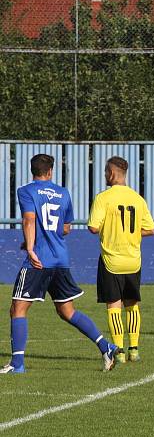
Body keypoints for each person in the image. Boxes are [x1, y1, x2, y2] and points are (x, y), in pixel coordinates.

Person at [2, 154, 120, 374]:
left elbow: (29, 219)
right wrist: (43, 235)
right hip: (61, 259)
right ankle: (106, 347)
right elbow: (66, 228)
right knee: (67, 311)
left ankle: (17, 364)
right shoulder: (63, 193)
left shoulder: (26, 191)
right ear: (50, 172)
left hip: (39, 259)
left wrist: (30, 247)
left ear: (32, 171)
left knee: (18, 308)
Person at [88, 156, 154, 364]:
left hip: (112, 260)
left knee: (114, 306)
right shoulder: (137, 198)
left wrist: (111, 230)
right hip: (133, 260)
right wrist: (133, 234)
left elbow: (93, 227)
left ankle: (118, 351)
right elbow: (151, 229)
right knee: (132, 304)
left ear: (111, 173)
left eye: (105, 172)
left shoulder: (103, 197)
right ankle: (134, 349)